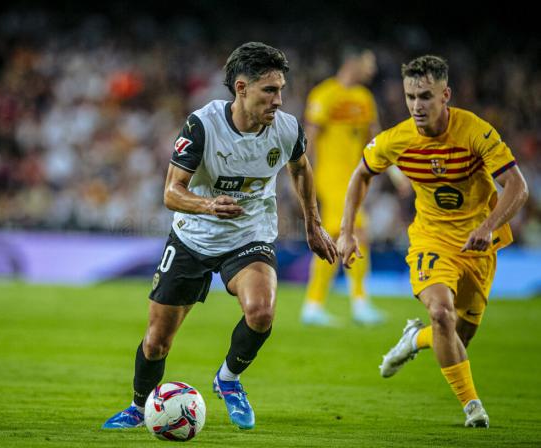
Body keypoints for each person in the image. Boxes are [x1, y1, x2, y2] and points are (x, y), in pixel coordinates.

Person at [102, 42, 338, 431]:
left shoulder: (287, 128)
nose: (279, 100)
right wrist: (208, 206)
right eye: (269, 90)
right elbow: (170, 193)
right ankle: (139, 405)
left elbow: (301, 169)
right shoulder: (202, 125)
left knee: (262, 311)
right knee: (156, 341)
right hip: (192, 237)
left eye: (281, 89)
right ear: (241, 89)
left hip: (249, 234)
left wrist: (312, 224)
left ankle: (228, 380)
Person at [337, 55, 528, 428]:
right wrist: (346, 231)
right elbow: (361, 174)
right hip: (431, 238)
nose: (416, 106)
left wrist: (488, 226)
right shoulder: (398, 139)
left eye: (425, 96)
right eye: (410, 97)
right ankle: (473, 407)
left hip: (477, 244)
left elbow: (517, 186)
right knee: (441, 312)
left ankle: (414, 340)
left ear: (446, 95)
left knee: (459, 335)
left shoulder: (475, 131)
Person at [301, 46, 388, 326]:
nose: (373, 69)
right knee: (357, 232)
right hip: (329, 178)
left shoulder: (364, 98)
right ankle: (360, 302)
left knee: (335, 238)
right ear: (352, 62)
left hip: (355, 180)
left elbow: (374, 139)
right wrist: (303, 179)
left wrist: (387, 171)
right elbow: (310, 141)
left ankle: (313, 305)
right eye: (369, 62)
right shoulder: (324, 95)